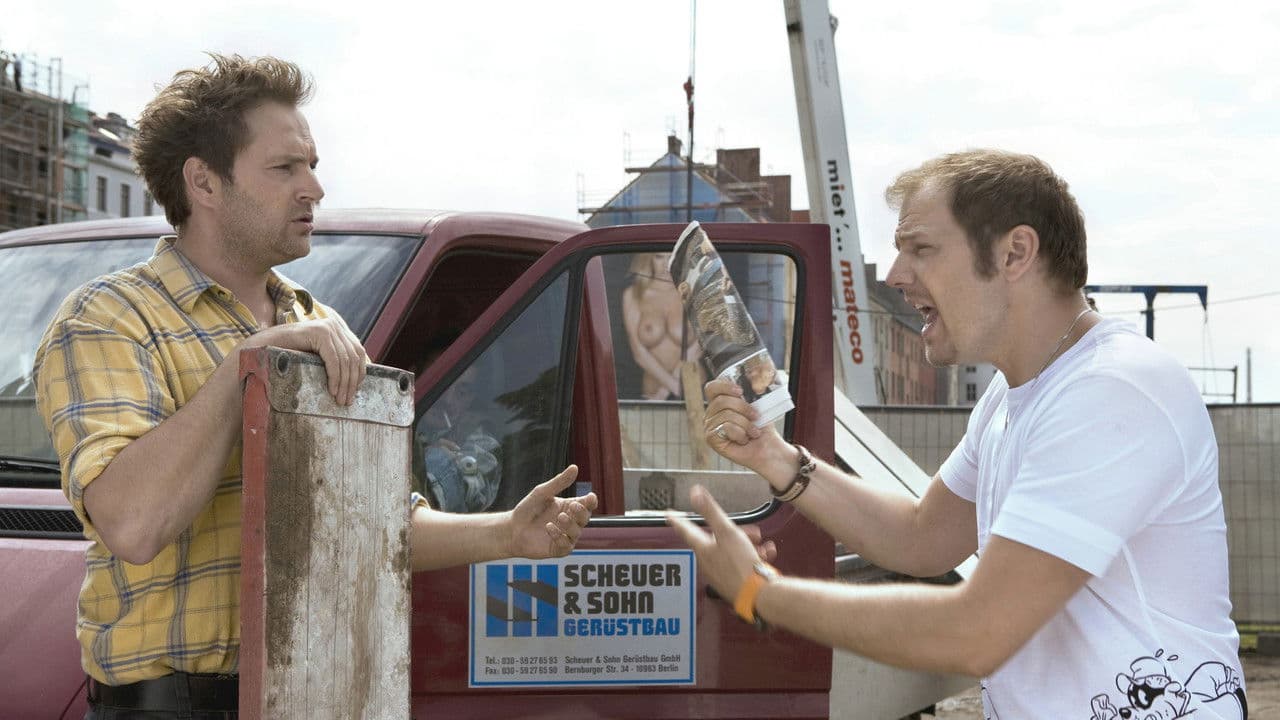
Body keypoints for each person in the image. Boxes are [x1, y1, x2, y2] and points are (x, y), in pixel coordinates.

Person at [33, 54, 597, 719]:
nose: (314, 188)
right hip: (171, 707)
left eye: (312, 165)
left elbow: (368, 522)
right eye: (284, 168)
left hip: (313, 698)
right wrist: (248, 366)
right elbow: (133, 524)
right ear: (204, 182)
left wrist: (506, 534)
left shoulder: (319, 322)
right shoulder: (109, 319)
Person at [669, 149, 1245, 719]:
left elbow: (979, 631)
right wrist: (776, 456)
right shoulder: (1011, 395)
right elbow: (923, 537)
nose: (895, 275)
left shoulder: (1113, 388)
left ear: (1015, 253)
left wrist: (760, 592)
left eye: (920, 248)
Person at [413, 334, 502, 513]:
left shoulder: (482, 445)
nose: (447, 400)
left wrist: (435, 458)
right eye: (439, 382)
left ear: (471, 400)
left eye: (462, 392)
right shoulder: (392, 423)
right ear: (414, 377)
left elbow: (462, 489)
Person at [620, 252, 699, 400]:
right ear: (649, 259)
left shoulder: (692, 292)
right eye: (659, 257)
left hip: (693, 392)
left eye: (672, 257)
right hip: (653, 394)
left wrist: (667, 389)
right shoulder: (634, 294)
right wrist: (672, 387)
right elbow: (639, 352)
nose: (666, 265)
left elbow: (699, 346)